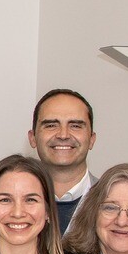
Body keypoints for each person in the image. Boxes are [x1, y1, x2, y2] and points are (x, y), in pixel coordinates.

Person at [28, 89, 99, 233]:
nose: (63, 135)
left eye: (75, 126)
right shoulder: (6, 206)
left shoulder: (110, 201)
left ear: (92, 139)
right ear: (32, 138)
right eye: (51, 125)